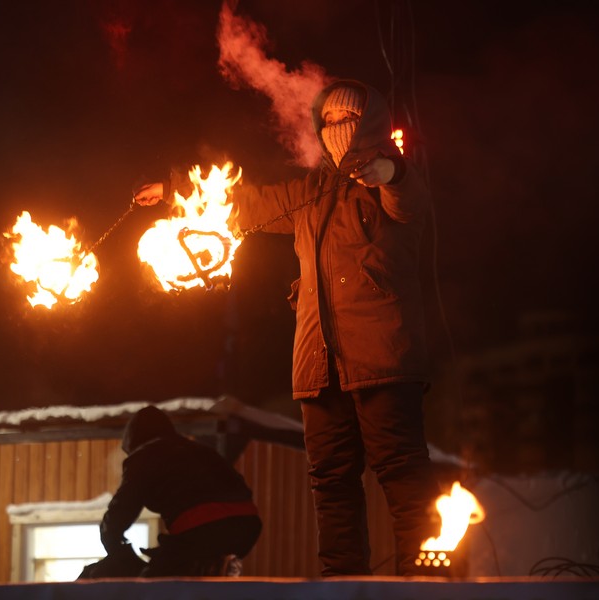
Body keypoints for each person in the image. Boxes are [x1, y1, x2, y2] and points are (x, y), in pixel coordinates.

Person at [133, 79, 444, 577]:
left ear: (370, 124)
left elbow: (407, 198)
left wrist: (390, 170)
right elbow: (248, 204)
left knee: (402, 473)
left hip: (383, 360)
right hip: (318, 367)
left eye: (348, 119)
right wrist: (175, 191)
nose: (337, 128)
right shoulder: (310, 192)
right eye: (329, 121)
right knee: (331, 483)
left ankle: (427, 582)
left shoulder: (390, 181)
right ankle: (342, 585)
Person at [98, 404, 262, 577]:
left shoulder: (143, 455)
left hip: (202, 529)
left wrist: (114, 546)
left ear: (132, 443)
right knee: (191, 568)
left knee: (153, 584)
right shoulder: (200, 450)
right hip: (247, 526)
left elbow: (122, 507)